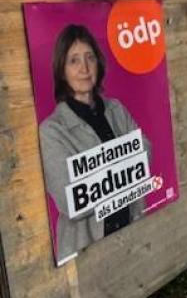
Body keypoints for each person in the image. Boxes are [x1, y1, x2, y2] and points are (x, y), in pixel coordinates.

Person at [38, 25, 149, 265]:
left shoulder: (116, 109)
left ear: (98, 62)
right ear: (62, 70)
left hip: (131, 228)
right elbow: (73, 202)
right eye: (73, 60)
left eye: (90, 57)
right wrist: (126, 168)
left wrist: (98, 177)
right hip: (86, 249)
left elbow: (146, 156)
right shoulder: (52, 130)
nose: (84, 68)